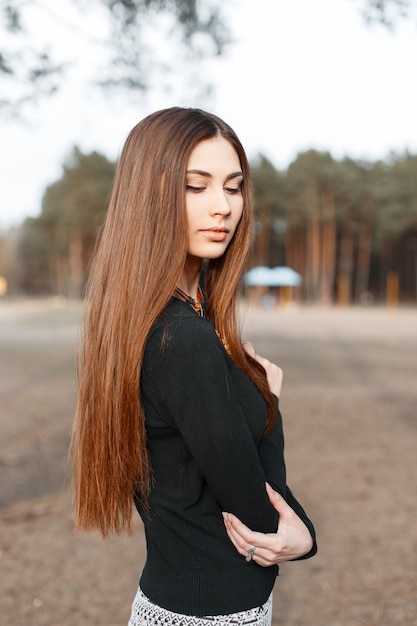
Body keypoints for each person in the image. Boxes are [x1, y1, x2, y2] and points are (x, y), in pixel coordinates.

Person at [71, 106, 317, 626]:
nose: (223, 207)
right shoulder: (181, 339)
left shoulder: (153, 320)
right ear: (149, 195)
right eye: (195, 186)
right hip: (213, 613)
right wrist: (269, 405)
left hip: (176, 599)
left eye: (233, 186)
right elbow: (260, 522)